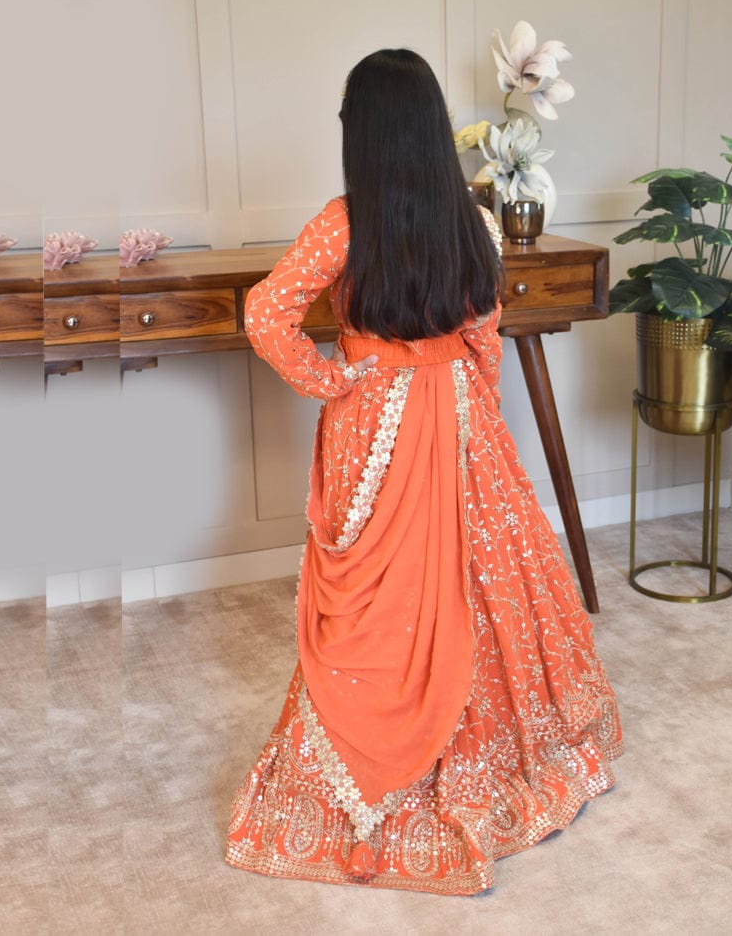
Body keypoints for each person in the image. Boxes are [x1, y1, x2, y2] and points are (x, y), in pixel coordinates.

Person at [226, 48, 622, 895]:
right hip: (459, 412)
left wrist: (333, 381)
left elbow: (265, 313)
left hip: (375, 423)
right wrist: (477, 428)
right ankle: (497, 755)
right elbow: (486, 330)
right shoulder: (470, 218)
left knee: (384, 601)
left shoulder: (344, 220)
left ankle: (375, 752)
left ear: (362, 135)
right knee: (486, 578)